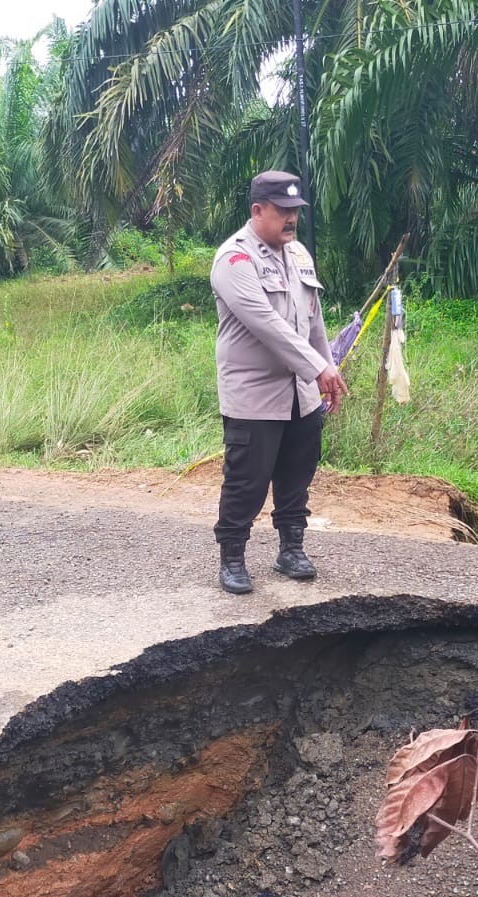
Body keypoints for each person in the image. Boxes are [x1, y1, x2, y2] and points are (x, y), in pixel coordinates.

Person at [208, 170, 348, 595]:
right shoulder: (234, 260)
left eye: (295, 212)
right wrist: (317, 368)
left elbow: (313, 321)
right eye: (282, 211)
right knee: (246, 481)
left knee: (296, 475)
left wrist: (328, 369)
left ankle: (291, 549)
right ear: (257, 210)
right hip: (254, 396)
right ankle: (232, 557)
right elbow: (267, 325)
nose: (291, 219)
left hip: (300, 393)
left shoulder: (299, 255)